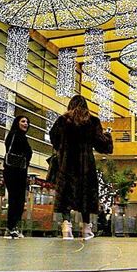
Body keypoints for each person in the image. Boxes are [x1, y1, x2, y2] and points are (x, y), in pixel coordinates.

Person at [49, 95, 113, 240]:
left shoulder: (63, 120)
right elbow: (102, 144)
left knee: (66, 194)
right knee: (86, 194)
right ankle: (86, 228)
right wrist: (108, 137)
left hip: (67, 163)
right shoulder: (93, 121)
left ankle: (66, 226)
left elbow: (53, 137)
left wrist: (62, 148)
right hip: (86, 164)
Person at [3, 115, 32, 239]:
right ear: (17, 123)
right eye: (23, 121)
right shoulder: (14, 135)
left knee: (19, 200)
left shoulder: (22, 137)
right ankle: (10, 228)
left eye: (27, 122)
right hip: (12, 171)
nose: (25, 124)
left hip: (20, 171)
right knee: (14, 199)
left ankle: (14, 227)